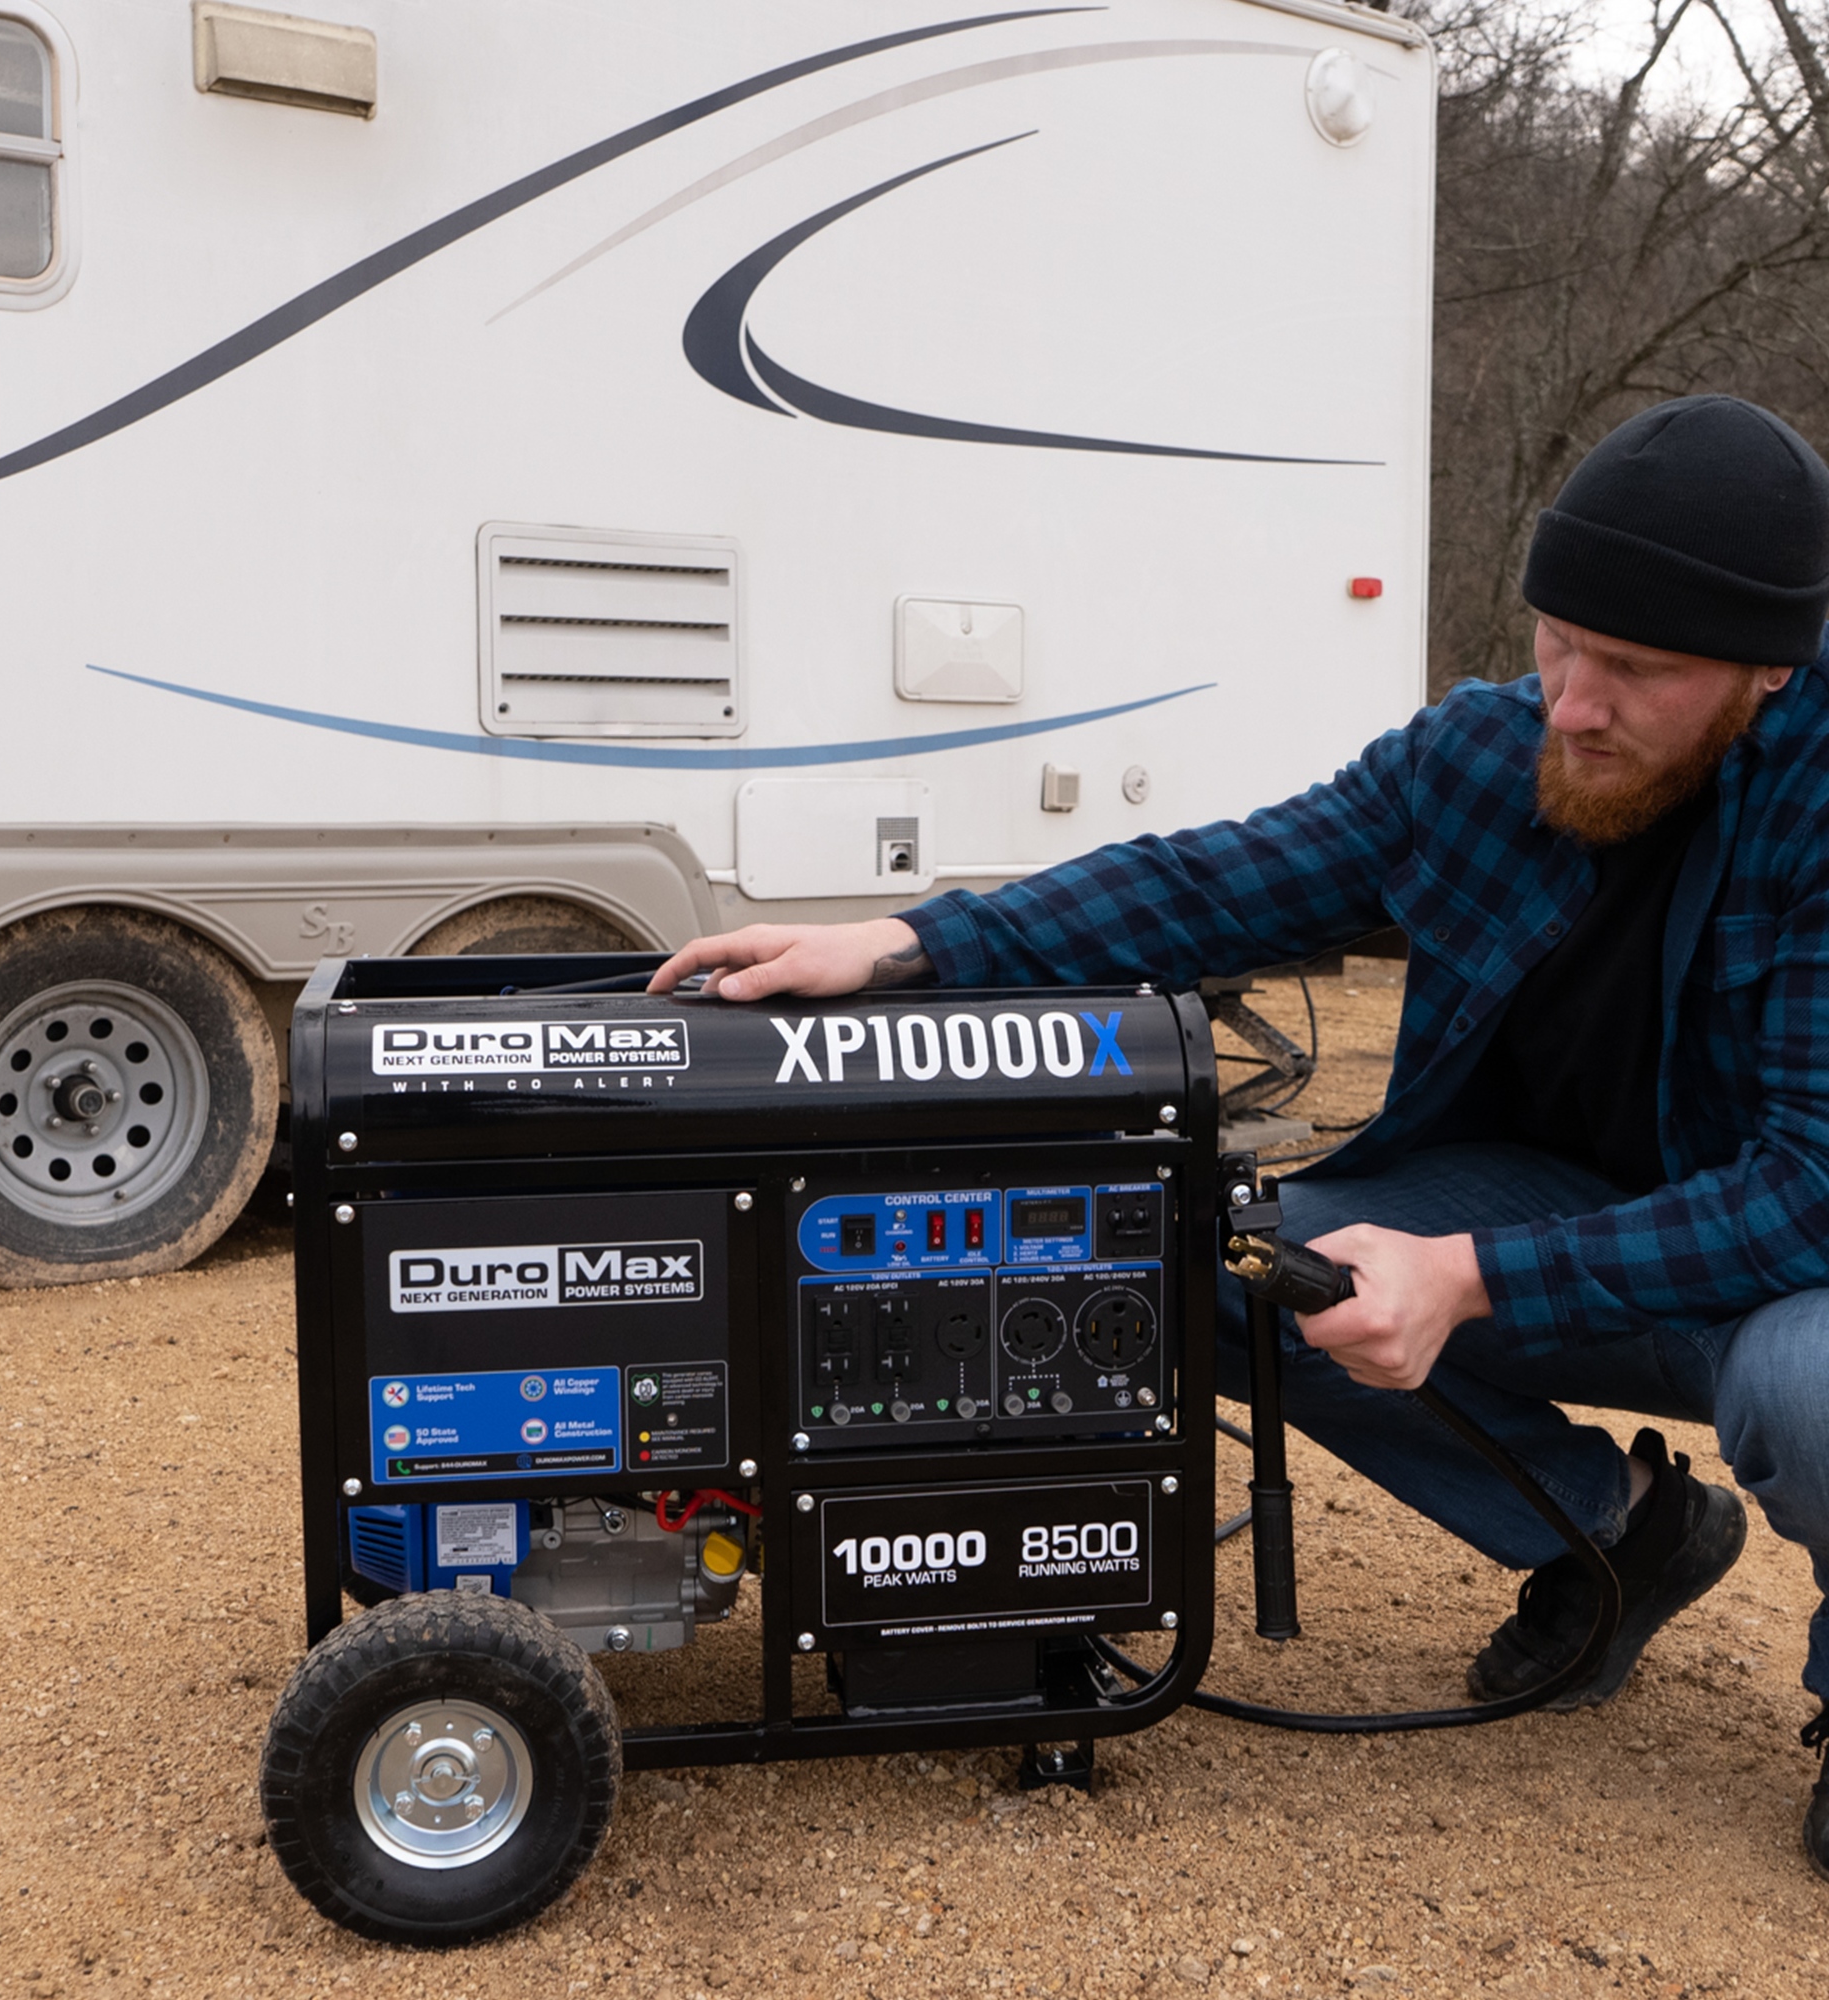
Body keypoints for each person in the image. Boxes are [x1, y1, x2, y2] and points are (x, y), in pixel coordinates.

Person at [649, 394, 1829, 1881]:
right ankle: (1618, 1533)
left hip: (1782, 1256)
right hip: (1565, 1206)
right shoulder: (1480, 758)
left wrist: (1467, 1280)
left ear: (1770, 670)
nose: (1573, 703)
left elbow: (1813, 1189)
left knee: (1817, 1380)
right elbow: (1211, 885)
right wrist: (902, 947)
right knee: (1232, 1265)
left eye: (1636, 670)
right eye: (1557, 640)